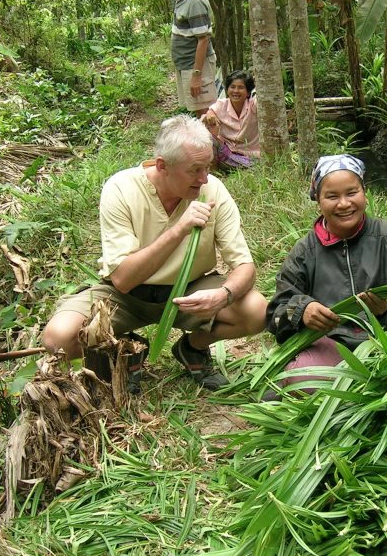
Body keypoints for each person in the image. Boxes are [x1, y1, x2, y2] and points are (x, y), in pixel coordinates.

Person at [42, 115, 267, 390]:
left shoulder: (213, 190)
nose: (204, 178)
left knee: (256, 311)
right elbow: (123, 279)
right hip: (125, 296)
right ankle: (127, 350)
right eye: (195, 170)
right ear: (163, 166)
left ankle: (192, 348)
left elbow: (245, 266)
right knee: (59, 338)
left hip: (189, 289)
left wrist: (224, 295)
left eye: (207, 167)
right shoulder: (122, 189)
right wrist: (178, 231)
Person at [265, 154, 387, 392]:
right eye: (332, 196)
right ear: (318, 201)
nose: (344, 204)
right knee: (304, 381)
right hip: (331, 347)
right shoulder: (305, 252)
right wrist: (302, 311)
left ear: (364, 193)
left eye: (352, 192)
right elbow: (276, 313)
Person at [168, 0, 217, 117]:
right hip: (187, 65)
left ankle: (213, 140)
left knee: (206, 115)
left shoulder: (195, 1)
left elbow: (203, 40)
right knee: (199, 112)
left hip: (196, 66)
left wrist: (196, 76)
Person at [203, 70, 260, 169]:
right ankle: (214, 175)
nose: (236, 91)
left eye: (241, 87)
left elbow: (263, 100)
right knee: (207, 138)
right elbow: (207, 115)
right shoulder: (221, 104)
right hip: (226, 153)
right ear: (227, 90)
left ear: (248, 92)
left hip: (251, 157)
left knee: (256, 165)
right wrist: (209, 115)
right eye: (232, 87)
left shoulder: (253, 106)